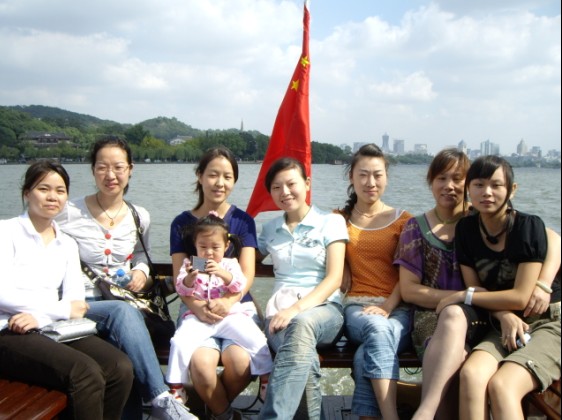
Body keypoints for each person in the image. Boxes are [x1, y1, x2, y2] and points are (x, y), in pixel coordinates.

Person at [397, 150, 561, 420]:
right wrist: (499, 312)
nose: (487, 192)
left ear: (512, 189)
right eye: (479, 185)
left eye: (496, 185)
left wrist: (542, 285)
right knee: (470, 372)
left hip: (538, 319)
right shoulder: (466, 229)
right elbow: (477, 290)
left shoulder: (519, 224)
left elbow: (518, 291)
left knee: (501, 385)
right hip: (493, 319)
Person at [57, 137, 197, 420]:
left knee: (123, 358)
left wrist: (140, 272)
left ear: (130, 169)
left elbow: (142, 254)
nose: (111, 175)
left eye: (118, 167)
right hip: (82, 304)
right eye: (102, 167)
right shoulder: (67, 212)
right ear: (93, 170)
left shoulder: (138, 215)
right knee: (123, 314)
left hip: (124, 304)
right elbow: (34, 235)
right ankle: (161, 398)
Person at [0, 160, 133, 419]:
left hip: (50, 325)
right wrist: (58, 310)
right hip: (9, 329)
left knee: (120, 367)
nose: (52, 197)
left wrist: (41, 316)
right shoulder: (6, 232)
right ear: (27, 193)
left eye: (60, 191)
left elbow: (76, 301)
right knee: (84, 373)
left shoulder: (67, 243)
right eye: (43, 189)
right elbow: (3, 294)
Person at [169, 147, 259, 420]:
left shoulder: (243, 221)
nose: (220, 183)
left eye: (227, 176)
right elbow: (179, 276)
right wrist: (197, 307)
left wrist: (228, 302)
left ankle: (207, 409)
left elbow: (247, 273)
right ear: (199, 176)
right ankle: (225, 415)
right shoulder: (181, 223)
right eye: (213, 175)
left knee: (241, 364)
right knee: (201, 366)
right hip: (195, 308)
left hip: (236, 308)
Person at [257, 157, 348, 420]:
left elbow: (334, 278)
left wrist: (295, 310)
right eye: (276, 187)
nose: (284, 192)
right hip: (278, 316)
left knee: (301, 325)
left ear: (307, 184)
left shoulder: (331, 222)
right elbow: (244, 264)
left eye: (291, 184)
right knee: (303, 358)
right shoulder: (270, 229)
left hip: (325, 312)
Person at [338, 144, 412, 420]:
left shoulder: (404, 221)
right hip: (357, 309)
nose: (371, 182)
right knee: (376, 328)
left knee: (364, 355)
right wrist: (343, 264)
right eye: (363, 174)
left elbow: (409, 274)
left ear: (386, 178)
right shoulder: (339, 220)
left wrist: (388, 306)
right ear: (351, 177)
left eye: (378, 175)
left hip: (398, 310)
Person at [167, 213, 272, 398]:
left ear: (226, 245)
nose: (209, 252)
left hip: (230, 315)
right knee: (178, 341)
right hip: (198, 317)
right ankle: (176, 385)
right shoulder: (190, 264)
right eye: (203, 247)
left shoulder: (230, 264)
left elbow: (239, 285)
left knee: (257, 338)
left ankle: (266, 378)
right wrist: (189, 278)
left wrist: (223, 273)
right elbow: (181, 289)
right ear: (195, 245)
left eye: (215, 247)